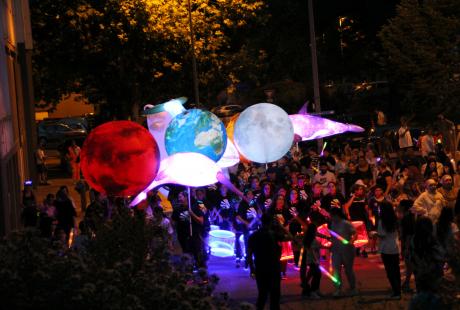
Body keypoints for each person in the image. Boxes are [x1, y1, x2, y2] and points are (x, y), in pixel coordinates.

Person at [247, 213, 291, 310]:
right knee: (275, 295)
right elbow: (290, 237)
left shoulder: (254, 235)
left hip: (260, 267)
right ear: (271, 223)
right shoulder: (274, 235)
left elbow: (249, 254)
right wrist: (281, 226)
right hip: (274, 268)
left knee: (262, 295)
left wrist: (252, 269)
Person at [329, 207, 358, 297]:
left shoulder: (346, 223)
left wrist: (351, 241)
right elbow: (333, 236)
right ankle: (337, 290)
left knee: (348, 270)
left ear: (337, 215)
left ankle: (353, 288)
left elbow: (355, 234)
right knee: (336, 270)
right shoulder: (332, 223)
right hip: (336, 250)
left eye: (332, 216)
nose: (331, 217)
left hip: (347, 250)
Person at [376, 201, 401, 299]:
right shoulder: (395, 219)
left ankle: (396, 292)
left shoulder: (382, 221)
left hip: (386, 248)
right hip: (395, 247)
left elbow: (382, 234)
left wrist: (374, 234)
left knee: (390, 271)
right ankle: (398, 289)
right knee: (396, 269)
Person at [299, 223, 322, 299]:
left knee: (316, 274)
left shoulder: (309, 238)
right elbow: (314, 249)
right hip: (313, 260)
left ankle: (310, 289)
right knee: (317, 274)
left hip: (312, 259)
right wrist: (316, 260)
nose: (316, 231)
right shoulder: (312, 239)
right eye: (316, 230)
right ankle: (313, 291)